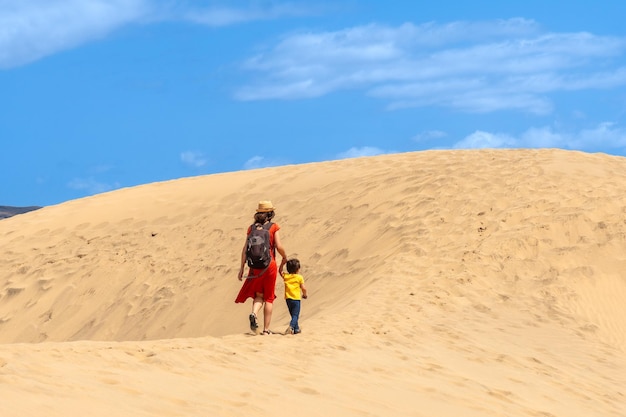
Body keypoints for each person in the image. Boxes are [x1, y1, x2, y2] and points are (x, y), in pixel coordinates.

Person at [235, 200, 287, 335]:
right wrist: (285, 257)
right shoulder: (273, 227)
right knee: (269, 297)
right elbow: (278, 246)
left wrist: (241, 268)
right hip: (269, 265)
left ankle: (254, 313)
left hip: (254, 267)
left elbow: (245, 249)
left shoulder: (251, 228)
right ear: (271, 213)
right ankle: (265, 329)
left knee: (258, 295)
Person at [281, 258, 308, 335]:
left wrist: (282, 264)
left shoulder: (286, 276)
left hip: (288, 299)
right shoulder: (299, 277)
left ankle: (296, 329)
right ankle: (291, 327)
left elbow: (280, 271)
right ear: (297, 269)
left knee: (293, 315)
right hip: (296, 299)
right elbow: (304, 288)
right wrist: (305, 295)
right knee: (295, 315)